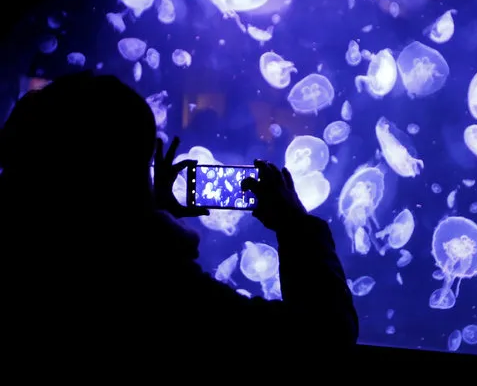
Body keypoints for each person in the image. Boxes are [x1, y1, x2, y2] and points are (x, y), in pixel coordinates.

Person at [0, 72, 358, 362]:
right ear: (120, 177)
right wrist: (295, 226)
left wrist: (150, 211)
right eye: (141, 167)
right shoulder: (160, 288)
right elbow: (324, 340)